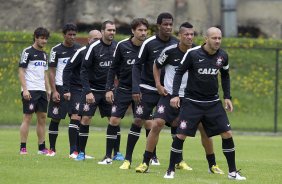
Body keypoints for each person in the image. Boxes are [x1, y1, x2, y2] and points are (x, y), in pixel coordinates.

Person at [136, 22, 224, 174]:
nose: (190, 37)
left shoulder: (198, 52)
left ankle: (213, 165)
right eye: (186, 34)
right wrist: (158, 84)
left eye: (192, 34)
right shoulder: (170, 51)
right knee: (157, 124)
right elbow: (156, 65)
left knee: (204, 129)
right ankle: (145, 162)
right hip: (170, 95)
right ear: (179, 36)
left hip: (190, 98)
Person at [164, 27, 246, 180]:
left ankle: (233, 172)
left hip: (213, 103)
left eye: (219, 38)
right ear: (206, 39)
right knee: (180, 135)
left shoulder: (223, 56)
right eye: (214, 38)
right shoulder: (193, 54)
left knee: (227, 133)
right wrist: (175, 95)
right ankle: (170, 170)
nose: (217, 41)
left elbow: (226, 75)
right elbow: (179, 72)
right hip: (192, 102)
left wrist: (227, 97)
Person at [98, 18, 149, 167]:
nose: (143, 33)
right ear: (133, 31)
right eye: (140, 30)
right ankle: (108, 156)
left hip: (142, 91)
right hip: (124, 90)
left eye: (145, 30)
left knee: (148, 123)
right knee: (113, 120)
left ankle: (152, 156)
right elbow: (112, 68)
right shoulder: (122, 46)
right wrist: (109, 88)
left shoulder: (148, 47)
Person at [131, 12, 178, 170]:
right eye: (165, 24)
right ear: (158, 26)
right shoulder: (149, 43)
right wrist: (136, 87)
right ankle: (127, 159)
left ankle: (179, 161)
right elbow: (137, 65)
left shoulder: (177, 43)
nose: (168, 27)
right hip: (149, 88)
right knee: (139, 120)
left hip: (168, 90)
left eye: (171, 24)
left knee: (175, 123)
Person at [75, 20, 117, 161]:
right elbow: (84, 70)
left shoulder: (117, 47)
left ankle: (114, 154)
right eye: (109, 30)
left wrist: (112, 88)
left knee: (113, 120)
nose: (112, 33)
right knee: (86, 119)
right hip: (92, 90)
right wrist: (87, 91)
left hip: (108, 91)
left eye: (113, 30)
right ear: (103, 31)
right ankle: (81, 153)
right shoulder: (93, 47)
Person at [61, 30, 102, 159]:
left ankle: (81, 151)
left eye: (99, 39)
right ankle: (73, 151)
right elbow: (67, 69)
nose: (97, 42)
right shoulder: (81, 51)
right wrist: (66, 89)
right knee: (76, 117)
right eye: (95, 39)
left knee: (85, 119)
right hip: (76, 88)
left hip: (90, 89)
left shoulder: (101, 52)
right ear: (89, 40)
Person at [46, 23, 81, 157]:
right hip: (60, 87)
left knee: (76, 118)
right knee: (56, 118)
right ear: (64, 35)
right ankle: (52, 149)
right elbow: (51, 72)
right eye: (69, 34)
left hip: (75, 88)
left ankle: (74, 150)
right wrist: (54, 90)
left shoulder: (79, 49)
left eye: (74, 34)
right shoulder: (56, 50)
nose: (72, 37)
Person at [19, 27, 50, 155]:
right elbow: (21, 71)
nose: (44, 41)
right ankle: (23, 147)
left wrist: (48, 89)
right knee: (28, 117)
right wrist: (25, 89)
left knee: (42, 118)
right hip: (30, 90)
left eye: (46, 38)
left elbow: (45, 73)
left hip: (41, 90)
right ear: (36, 37)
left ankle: (41, 147)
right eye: (42, 38)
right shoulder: (27, 52)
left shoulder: (44, 54)